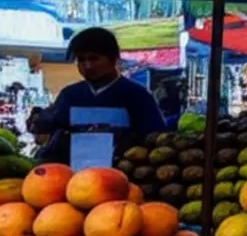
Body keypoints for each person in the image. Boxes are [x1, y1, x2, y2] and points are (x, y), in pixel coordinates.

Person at [33, 27, 167, 163]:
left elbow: (157, 140)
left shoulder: (138, 96)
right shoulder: (69, 96)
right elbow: (53, 136)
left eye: (94, 58)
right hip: (71, 177)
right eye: (81, 60)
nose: (88, 66)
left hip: (121, 177)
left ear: (114, 58)